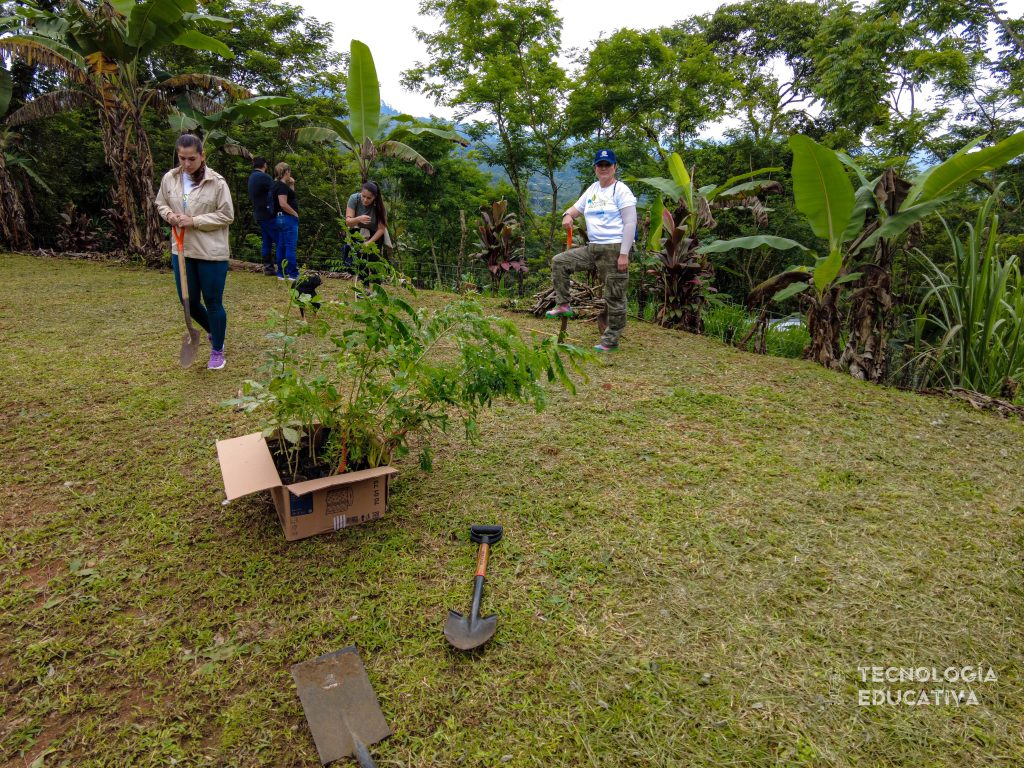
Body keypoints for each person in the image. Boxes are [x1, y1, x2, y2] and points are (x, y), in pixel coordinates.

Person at [155, 134, 234, 370]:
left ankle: (217, 350)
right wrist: (169, 215)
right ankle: (213, 330)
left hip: (211, 253)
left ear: (202, 156)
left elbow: (226, 215)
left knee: (212, 301)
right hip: (182, 250)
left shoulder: (217, 182)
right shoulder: (170, 178)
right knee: (186, 299)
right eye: (182, 158)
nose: (187, 164)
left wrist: (194, 220)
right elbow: (161, 203)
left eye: (191, 159)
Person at [546, 148, 637, 352]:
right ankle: (563, 304)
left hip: (614, 248)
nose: (603, 168)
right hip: (593, 248)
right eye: (600, 165)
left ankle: (611, 339)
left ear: (614, 167)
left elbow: (631, 223)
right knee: (560, 262)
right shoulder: (593, 189)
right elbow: (575, 209)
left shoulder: (621, 190)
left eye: (607, 165)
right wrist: (567, 216)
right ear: (595, 168)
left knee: (614, 295)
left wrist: (624, 253)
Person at [344, 180, 387, 280]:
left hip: (375, 233)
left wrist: (369, 243)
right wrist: (359, 218)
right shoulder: (354, 198)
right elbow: (348, 221)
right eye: (363, 196)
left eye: (369, 198)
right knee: (361, 260)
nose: (365, 200)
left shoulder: (380, 206)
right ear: (360, 193)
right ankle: (365, 288)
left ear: (374, 198)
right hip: (357, 230)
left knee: (374, 260)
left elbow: (381, 229)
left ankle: (377, 288)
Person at [247, 157, 276, 276]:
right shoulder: (264, 177)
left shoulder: (252, 177)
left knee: (266, 241)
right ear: (264, 165)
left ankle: (268, 267)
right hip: (268, 214)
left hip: (259, 213)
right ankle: (285, 268)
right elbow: (276, 190)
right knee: (280, 240)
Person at [271, 161, 300, 281]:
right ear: (286, 171)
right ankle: (293, 273)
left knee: (281, 245)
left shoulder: (276, 185)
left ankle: (281, 273)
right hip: (287, 218)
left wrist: (292, 184)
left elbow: (291, 195)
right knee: (290, 246)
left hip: (279, 218)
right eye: (289, 171)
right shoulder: (282, 186)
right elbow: (283, 203)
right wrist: (295, 214)